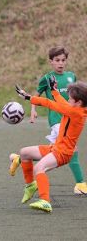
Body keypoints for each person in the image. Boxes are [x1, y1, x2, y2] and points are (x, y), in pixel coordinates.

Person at [9, 46, 87, 195]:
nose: (61, 63)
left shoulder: (72, 79)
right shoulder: (48, 78)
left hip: (66, 119)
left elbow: (60, 103)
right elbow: (53, 102)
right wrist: (32, 103)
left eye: (63, 60)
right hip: (57, 120)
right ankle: (80, 183)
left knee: (60, 153)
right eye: (57, 60)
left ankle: (22, 160)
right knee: (68, 152)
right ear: (51, 61)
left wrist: (30, 97)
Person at [12, 77, 87, 213]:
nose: (68, 100)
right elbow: (62, 102)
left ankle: (45, 201)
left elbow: (49, 104)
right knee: (24, 153)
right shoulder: (76, 109)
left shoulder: (75, 112)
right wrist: (54, 90)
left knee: (39, 168)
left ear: (79, 102)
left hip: (62, 153)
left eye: (70, 99)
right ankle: (30, 185)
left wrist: (29, 97)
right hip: (56, 148)